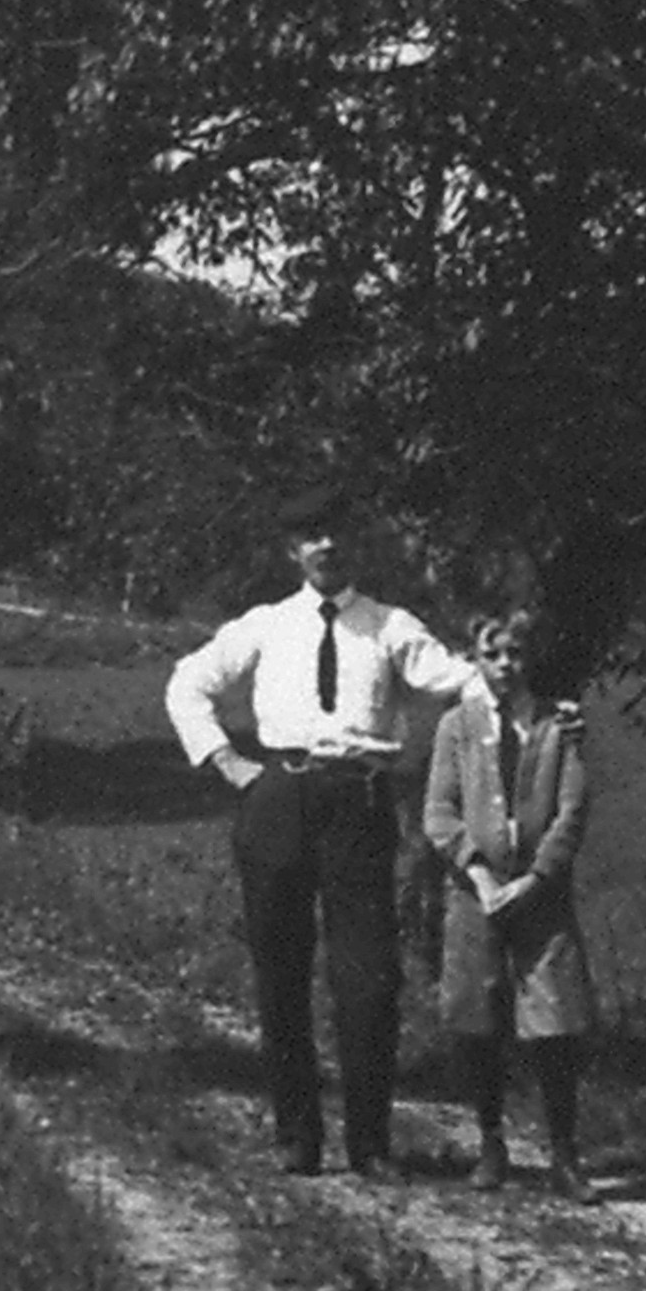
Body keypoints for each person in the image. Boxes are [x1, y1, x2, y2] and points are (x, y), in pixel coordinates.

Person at [167, 493, 477, 1176]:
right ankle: (296, 1136)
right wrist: (227, 762)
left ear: (354, 544)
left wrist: (538, 704)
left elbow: (459, 680)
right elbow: (187, 684)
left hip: (358, 804)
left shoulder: (390, 626)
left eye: (336, 533)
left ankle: (369, 1144)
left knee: (367, 977)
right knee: (280, 969)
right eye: (311, 535)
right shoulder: (267, 624)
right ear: (293, 551)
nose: (326, 546)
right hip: (278, 797)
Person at [425, 609, 603, 1201]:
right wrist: (478, 874)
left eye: (515, 654)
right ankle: (491, 1142)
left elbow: (571, 811)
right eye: (492, 654)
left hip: (539, 894)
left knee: (554, 1019)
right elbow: (439, 812)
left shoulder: (558, 726)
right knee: (476, 1014)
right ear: (474, 659)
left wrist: (537, 877)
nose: (505, 665)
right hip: (475, 891)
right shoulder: (456, 727)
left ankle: (564, 1154)